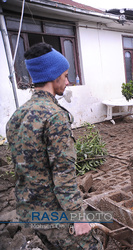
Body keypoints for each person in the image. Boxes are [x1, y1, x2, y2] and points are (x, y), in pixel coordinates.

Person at [6, 43, 102, 249]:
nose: (67, 82)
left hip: (29, 211)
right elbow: (63, 175)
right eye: (65, 75)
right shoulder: (55, 116)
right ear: (53, 75)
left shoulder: (16, 116)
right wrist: (78, 218)